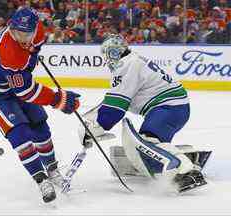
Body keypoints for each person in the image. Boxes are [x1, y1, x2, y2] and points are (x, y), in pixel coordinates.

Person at [78, 34, 208, 193]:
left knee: (148, 142)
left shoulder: (126, 66)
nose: (106, 59)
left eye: (106, 54)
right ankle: (182, 156)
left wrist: (95, 127)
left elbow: (115, 108)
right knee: (153, 142)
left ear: (112, 53)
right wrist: (91, 121)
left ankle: (187, 170)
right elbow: (112, 101)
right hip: (174, 108)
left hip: (168, 108)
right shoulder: (133, 61)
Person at [0, 7, 80, 203]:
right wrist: (59, 100)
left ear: (35, 29)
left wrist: (32, 52)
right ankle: (41, 179)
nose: (22, 37)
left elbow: (34, 49)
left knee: (40, 126)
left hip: (17, 81)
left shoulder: (38, 31)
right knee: (20, 134)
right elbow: (25, 91)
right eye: (17, 33)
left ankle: (52, 168)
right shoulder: (7, 50)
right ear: (11, 28)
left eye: (26, 33)